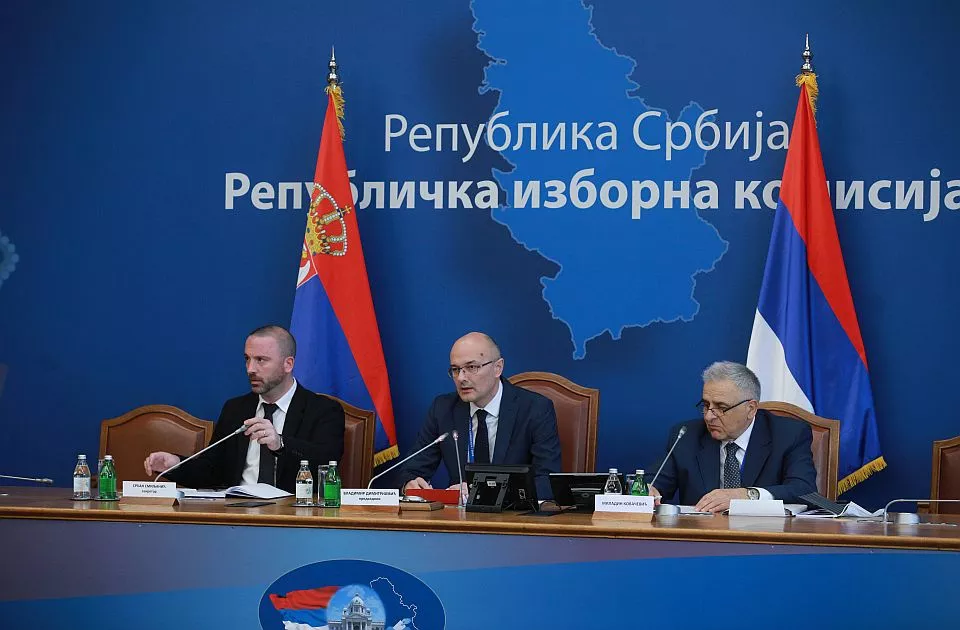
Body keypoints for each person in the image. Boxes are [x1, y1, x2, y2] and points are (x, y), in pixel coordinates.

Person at [144, 325, 344, 492]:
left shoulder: (323, 410)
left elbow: (327, 462)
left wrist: (280, 443)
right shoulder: (236, 409)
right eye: (247, 359)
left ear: (288, 364)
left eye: (261, 360)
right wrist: (174, 464)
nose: (250, 369)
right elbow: (212, 470)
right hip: (238, 512)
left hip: (291, 516)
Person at [400, 332, 562, 499]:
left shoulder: (535, 409)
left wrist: (485, 491)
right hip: (460, 513)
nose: (461, 378)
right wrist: (409, 484)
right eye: (455, 369)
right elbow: (411, 470)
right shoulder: (443, 409)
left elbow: (547, 481)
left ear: (498, 368)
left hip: (513, 512)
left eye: (472, 367)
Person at [649, 361, 817, 513]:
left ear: (751, 409)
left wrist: (747, 494)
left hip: (766, 533)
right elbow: (655, 482)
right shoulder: (687, 435)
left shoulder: (788, 434)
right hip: (703, 533)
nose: (709, 416)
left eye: (721, 407)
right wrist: (649, 490)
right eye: (706, 405)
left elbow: (804, 490)